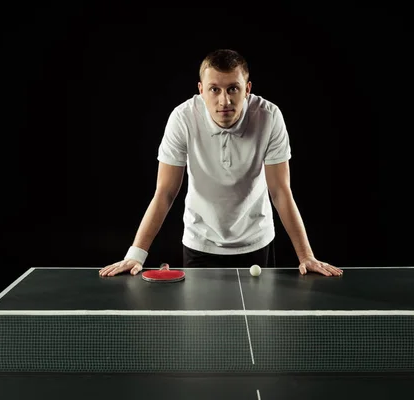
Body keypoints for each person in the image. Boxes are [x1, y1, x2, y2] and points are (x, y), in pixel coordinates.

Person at [99, 49, 342, 278]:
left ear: (246, 89)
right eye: (214, 89)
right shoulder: (183, 118)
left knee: (259, 323)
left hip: (256, 240)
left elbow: (280, 191)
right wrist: (136, 254)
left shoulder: (269, 117)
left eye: (232, 89)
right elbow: (165, 193)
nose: (224, 100)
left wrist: (306, 256)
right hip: (200, 242)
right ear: (201, 90)